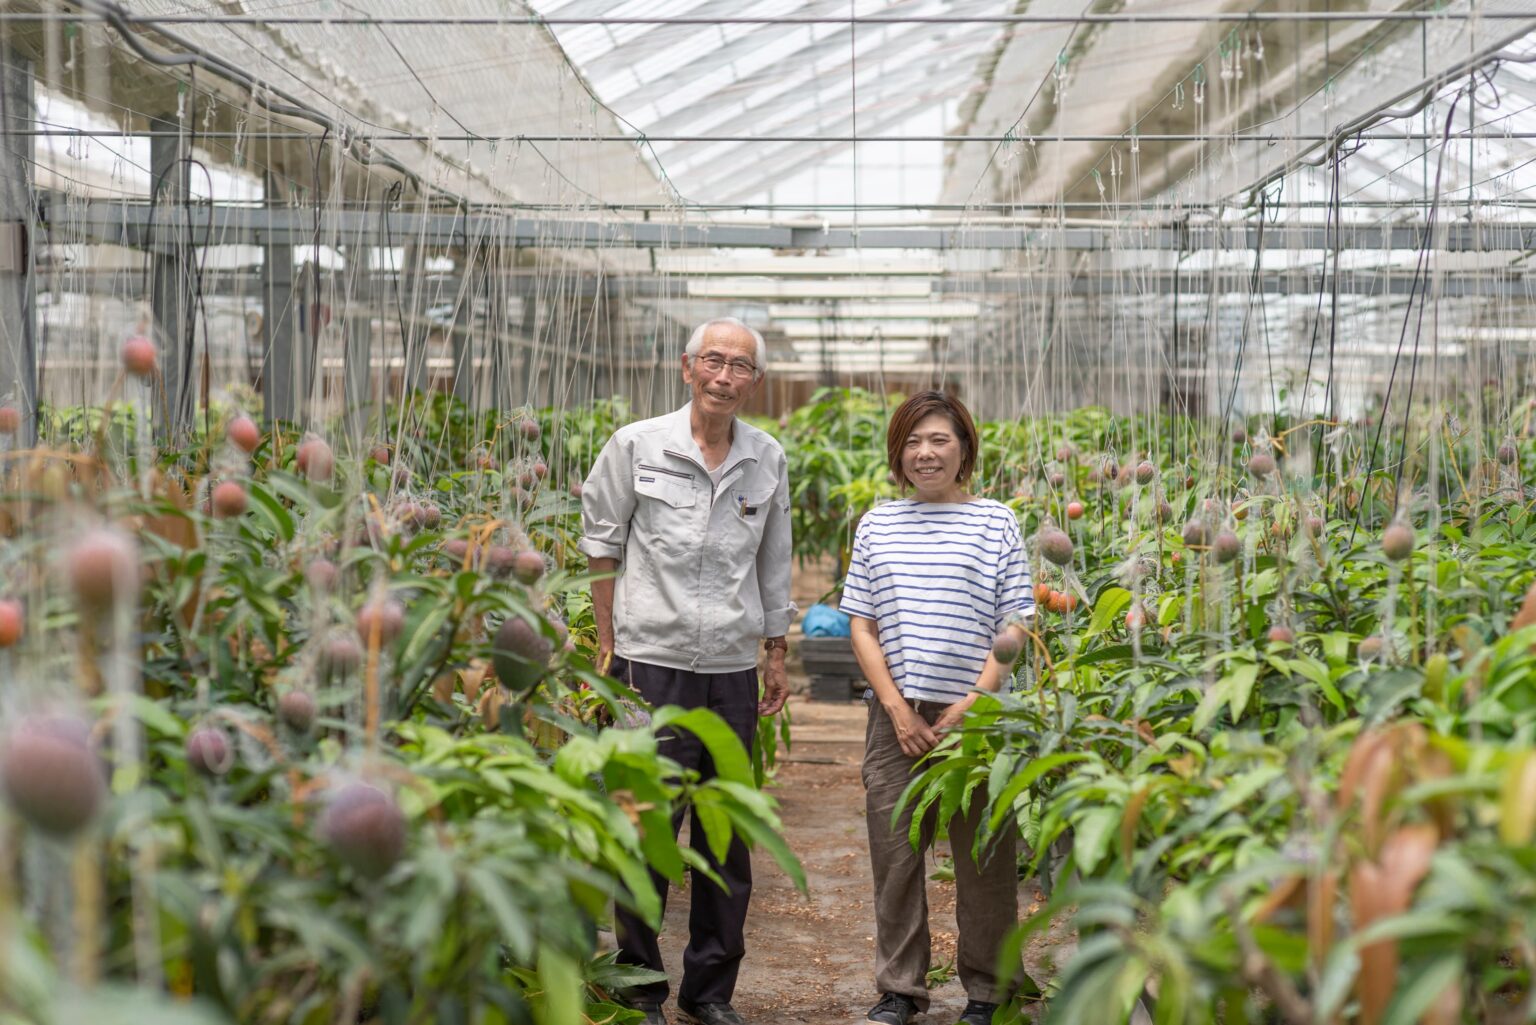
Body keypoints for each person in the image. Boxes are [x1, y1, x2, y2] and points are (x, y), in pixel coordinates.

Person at [579, 317, 794, 1025]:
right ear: (687, 367)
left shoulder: (766, 459)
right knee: (646, 830)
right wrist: (605, 638)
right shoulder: (637, 445)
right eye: (715, 361)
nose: (725, 376)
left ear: (754, 383)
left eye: (740, 367)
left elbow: (773, 560)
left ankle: (710, 992)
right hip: (650, 664)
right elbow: (602, 542)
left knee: (725, 835)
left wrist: (776, 649)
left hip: (730, 667)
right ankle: (641, 988)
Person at [841, 391, 1035, 1025]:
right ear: (898, 453)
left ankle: (987, 990)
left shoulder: (996, 522)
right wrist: (898, 709)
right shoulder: (877, 523)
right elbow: (862, 626)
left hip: (975, 718)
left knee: (984, 859)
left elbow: (1016, 621)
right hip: (895, 716)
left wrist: (974, 703)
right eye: (913, 442)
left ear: (964, 449)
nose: (925, 453)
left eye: (939, 440)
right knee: (895, 857)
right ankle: (900, 988)